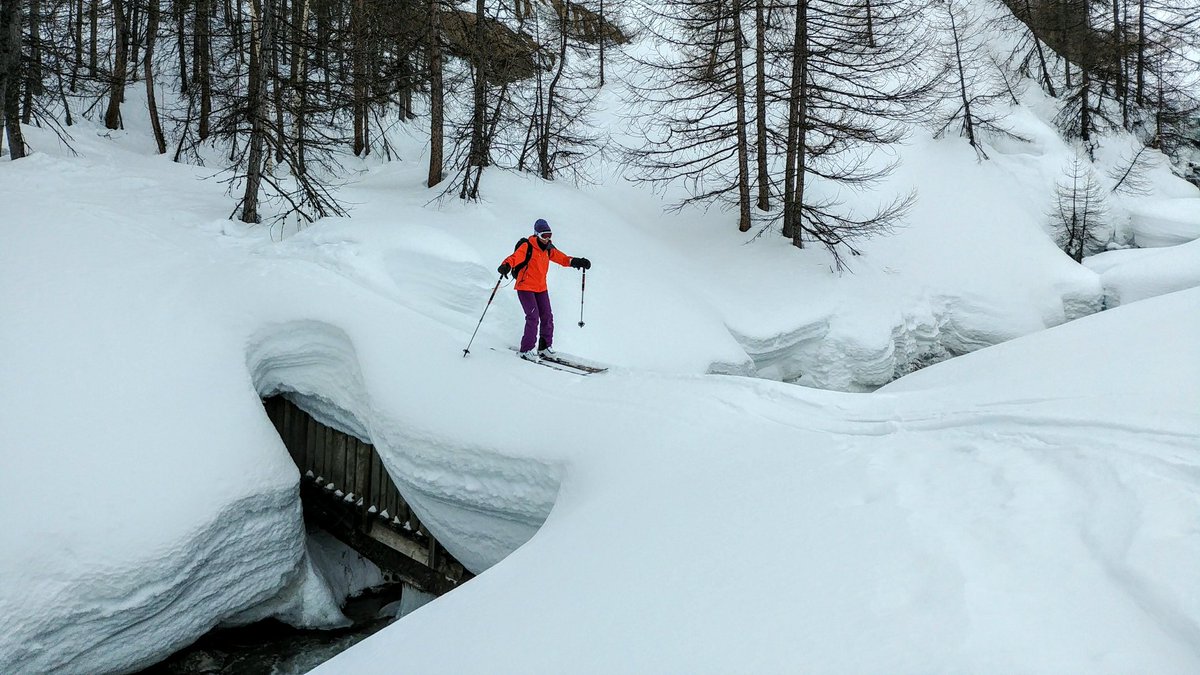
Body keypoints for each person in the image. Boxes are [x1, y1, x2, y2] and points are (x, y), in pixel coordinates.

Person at [497, 218, 591, 360]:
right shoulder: (527, 246)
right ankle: (526, 349)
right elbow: (514, 258)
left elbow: (563, 259)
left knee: (547, 316)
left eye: (549, 235)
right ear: (536, 235)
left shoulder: (548, 249)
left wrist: (577, 261)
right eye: (544, 236)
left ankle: (544, 347)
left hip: (541, 288)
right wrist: (506, 265)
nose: (547, 239)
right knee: (533, 317)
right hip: (525, 287)